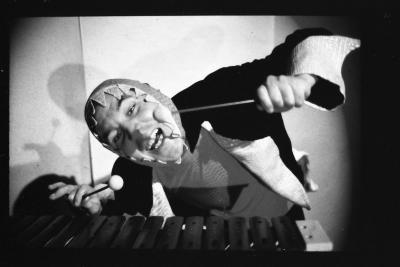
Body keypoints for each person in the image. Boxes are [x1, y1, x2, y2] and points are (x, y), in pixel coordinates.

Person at [49, 28, 360, 220]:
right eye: (116, 136)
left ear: (155, 93)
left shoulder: (222, 91)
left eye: (132, 109)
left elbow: (304, 43)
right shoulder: (127, 173)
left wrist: (301, 79)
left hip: (284, 218)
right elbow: (122, 205)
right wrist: (94, 206)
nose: (136, 132)